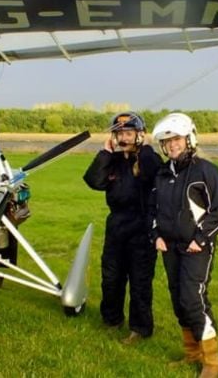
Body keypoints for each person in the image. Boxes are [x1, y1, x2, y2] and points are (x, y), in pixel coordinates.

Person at [150, 112, 218, 378]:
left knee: (192, 299)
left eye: (177, 139)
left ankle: (212, 362)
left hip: (197, 247)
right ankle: (191, 353)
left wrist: (201, 238)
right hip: (169, 247)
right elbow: (152, 209)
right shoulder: (161, 174)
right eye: (167, 141)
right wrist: (156, 235)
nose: (172, 145)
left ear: (189, 139)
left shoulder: (206, 170)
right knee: (178, 300)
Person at [83, 111, 162, 345]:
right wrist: (106, 152)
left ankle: (140, 329)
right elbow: (93, 181)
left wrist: (144, 148)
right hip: (116, 225)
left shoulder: (149, 159)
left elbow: (152, 172)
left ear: (139, 135)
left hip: (142, 227)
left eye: (128, 133)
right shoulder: (114, 161)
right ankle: (111, 320)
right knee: (111, 277)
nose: (124, 138)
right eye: (119, 134)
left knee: (140, 281)